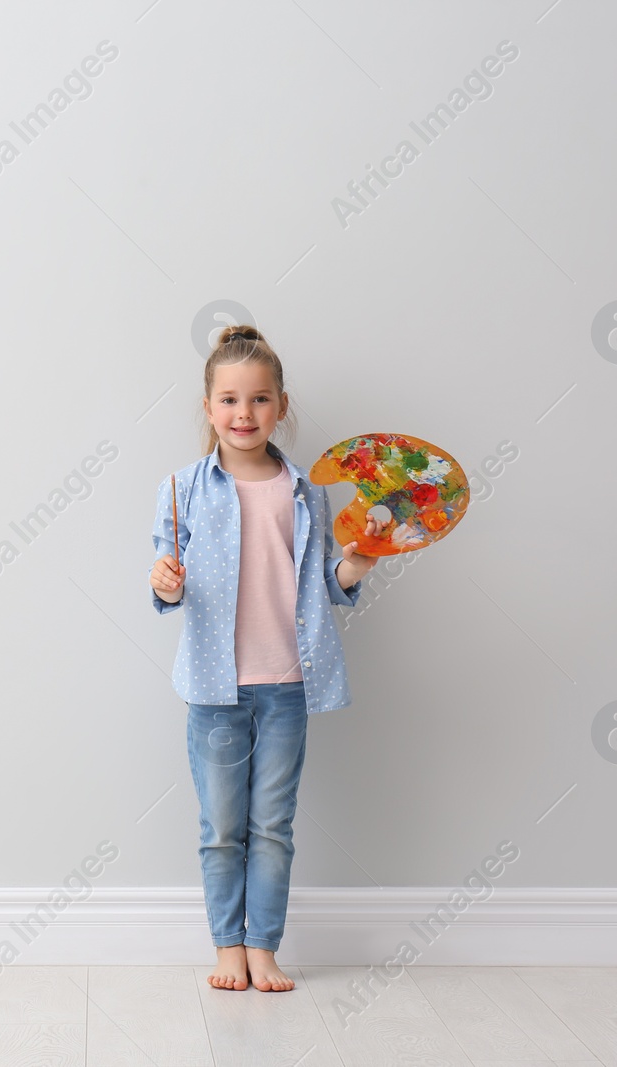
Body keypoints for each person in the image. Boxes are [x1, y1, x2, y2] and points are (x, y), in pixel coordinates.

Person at [149, 324, 381, 992]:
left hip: (286, 686)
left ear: (280, 406)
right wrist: (166, 581)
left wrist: (354, 567)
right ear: (208, 406)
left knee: (272, 826)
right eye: (228, 399)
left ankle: (262, 946)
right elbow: (166, 578)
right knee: (222, 827)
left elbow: (324, 589)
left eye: (257, 400)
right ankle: (227, 944)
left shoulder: (307, 492)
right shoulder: (182, 488)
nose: (242, 414)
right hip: (215, 689)